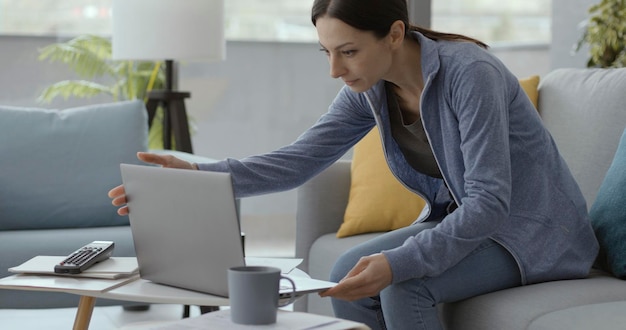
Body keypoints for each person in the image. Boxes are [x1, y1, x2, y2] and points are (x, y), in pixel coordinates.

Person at [109, 0, 599, 329]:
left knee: (405, 284)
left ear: (394, 34)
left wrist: (400, 261)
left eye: (348, 52)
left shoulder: (470, 75)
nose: (335, 69)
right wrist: (199, 176)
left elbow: (490, 202)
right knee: (346, 274)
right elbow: (300, 160)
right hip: (472, 226)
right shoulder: (371, 89)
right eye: (326, 52)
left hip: (533, 233)